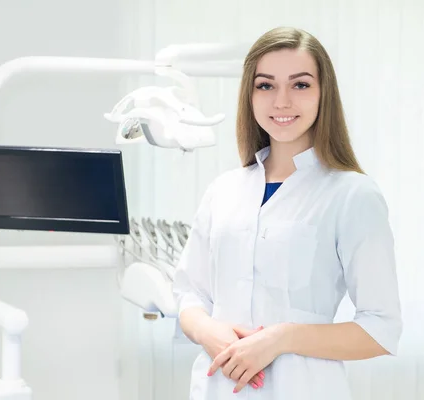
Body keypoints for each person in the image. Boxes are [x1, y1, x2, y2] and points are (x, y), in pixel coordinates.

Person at [172, 26, 402, 400]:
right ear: (250, 95)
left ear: (323, 94)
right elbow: (189, 294)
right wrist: (206, 331)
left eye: (300, 85)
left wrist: (282, 338)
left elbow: (381, 328)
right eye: (265, 85)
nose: (281, 101)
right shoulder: (223, 191)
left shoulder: (352, 195)